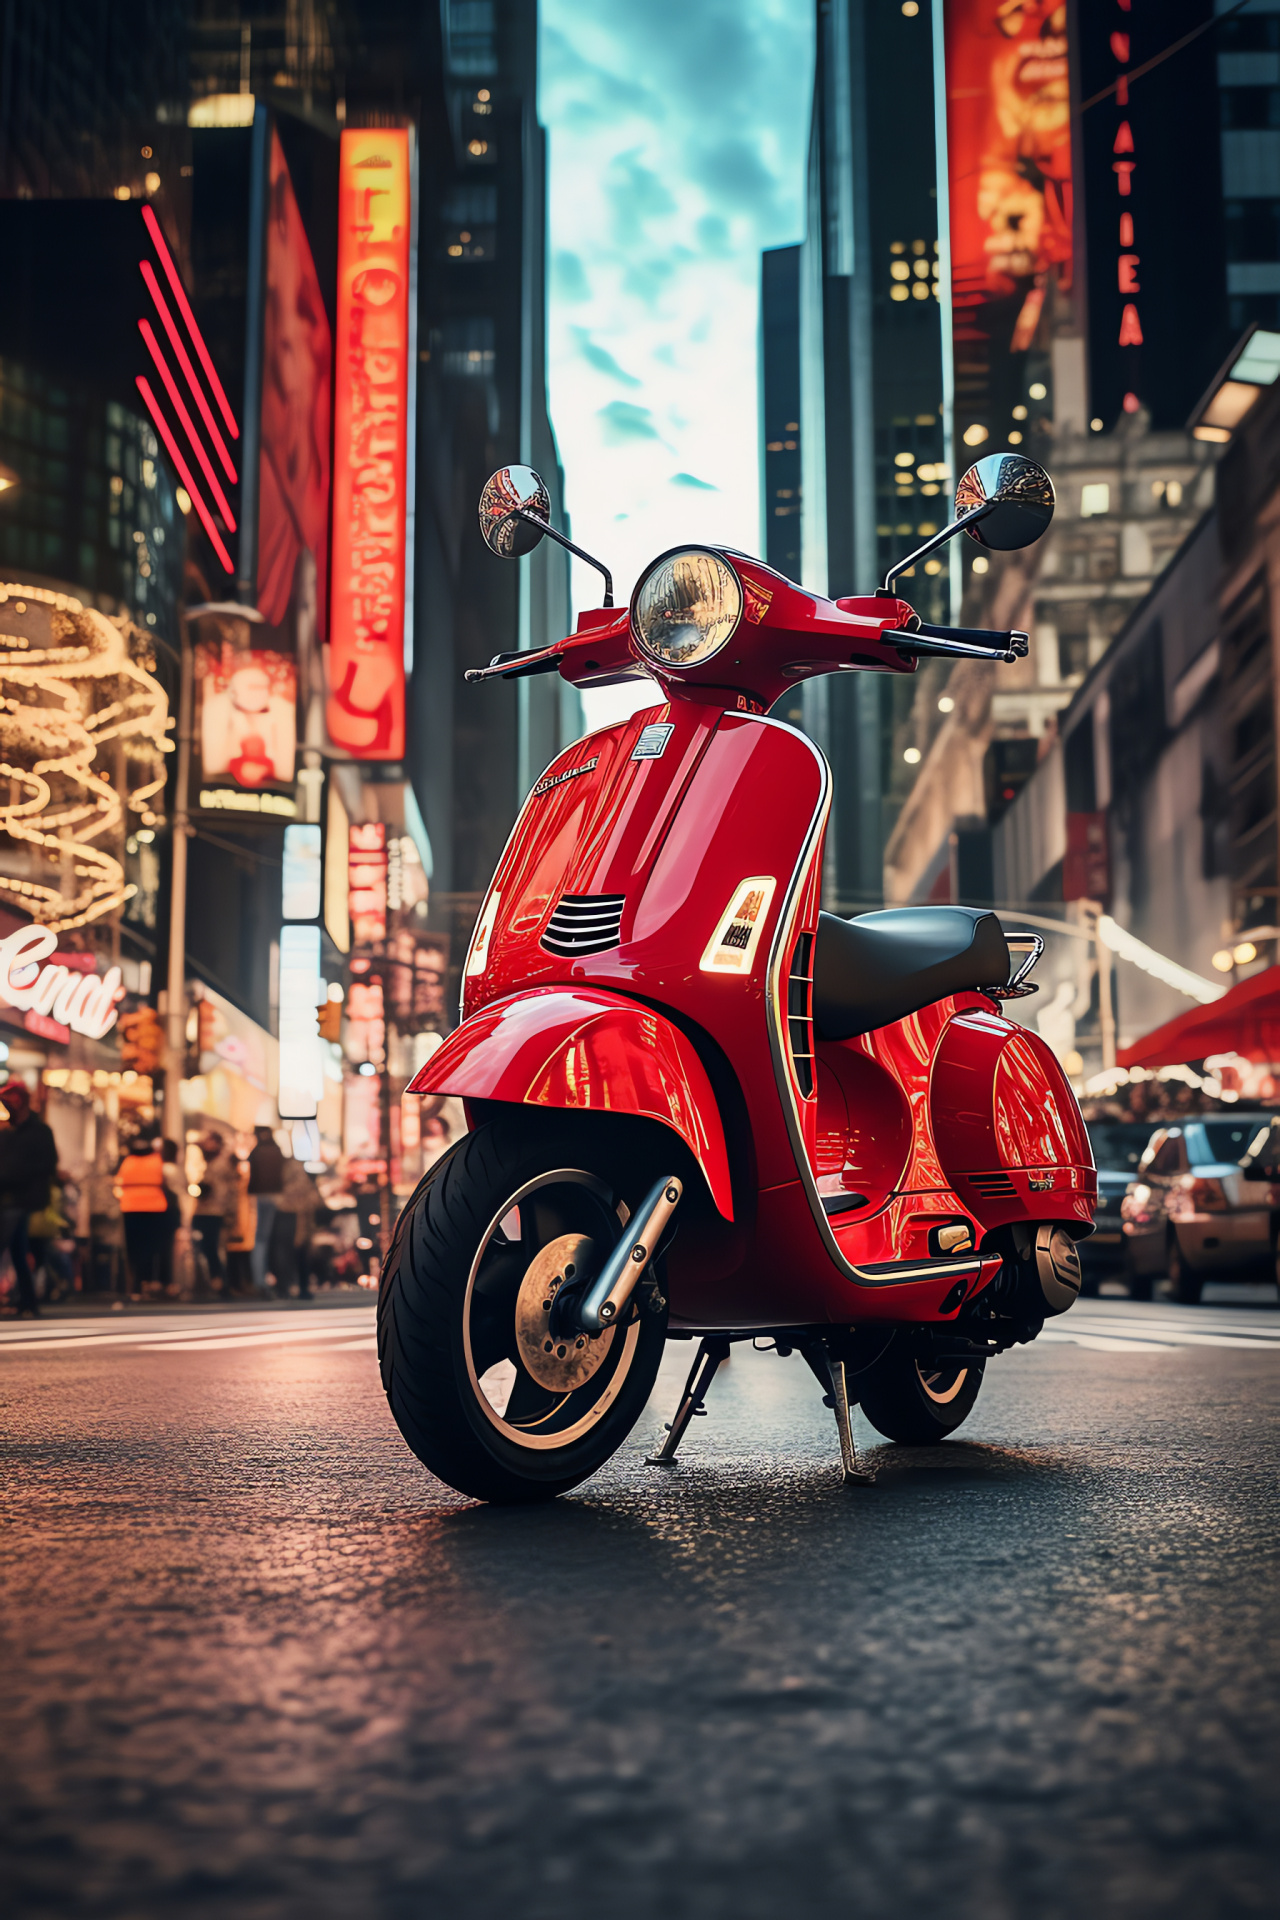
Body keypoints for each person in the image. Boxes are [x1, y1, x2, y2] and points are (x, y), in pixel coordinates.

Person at [0, 1078, 57, 1317]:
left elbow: (47, 1163)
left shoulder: (39, 1131)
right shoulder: (7, 1131)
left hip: (23, 1198)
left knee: (13, 1246)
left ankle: (28, 1300)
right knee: (18, 1251)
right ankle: (28, 1300)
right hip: (7, 1196)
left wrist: (17, 1176)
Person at [115, 1134, 168, 1295]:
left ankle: (136, 1284)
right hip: (154, 1208)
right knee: (151, 1248)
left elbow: (118, 1184)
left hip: (131, 1208)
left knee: (134, 1249)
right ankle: (148, 1282)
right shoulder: (157, 1161)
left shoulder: (127, 1162)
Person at [191, 1131, 235, 1290]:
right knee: (204, 1248)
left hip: (214, 1211)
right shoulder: (209, 1162)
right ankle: (210, 1283)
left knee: (211, 1248)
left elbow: (223, 1191)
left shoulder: (220, 1164)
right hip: (204, 1211)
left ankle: (220, 1282)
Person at [247, 1124, 285, 1294]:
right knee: (273, 1240)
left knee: (261, 1239)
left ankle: (259, 1279)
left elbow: (252, 1177)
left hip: (260, 1197)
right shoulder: (277, 1151)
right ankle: (272, 1279)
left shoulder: (256, 1152)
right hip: (278, 1198)